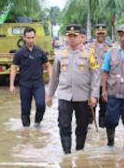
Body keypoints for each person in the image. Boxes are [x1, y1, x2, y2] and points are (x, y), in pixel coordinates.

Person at [46, 24, 100, 154]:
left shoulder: (89, 54)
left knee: (82, 125)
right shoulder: (60, 54)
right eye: (69, 36)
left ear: (80, 38)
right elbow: (54, 77)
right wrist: (50, 95)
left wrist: (94, 95)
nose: (71, 38)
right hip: (65, 95)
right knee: (64, 124)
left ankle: (80, 150)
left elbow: (96, 76)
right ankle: (67, 154)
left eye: (74, 36)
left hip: (83, 96)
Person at [9, 27, 52, 127]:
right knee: (25, 109)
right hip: (25, 85)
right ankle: (26, 131)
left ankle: (37, 123)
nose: (30, 40)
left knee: (41, 105)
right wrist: (11, 85)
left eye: (32, 37)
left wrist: (51, 80)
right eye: (28, 38)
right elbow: (14, 68)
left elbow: (48, 66)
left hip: (38, 84)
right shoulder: (19, 53)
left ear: (35, 37)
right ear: (24, 38)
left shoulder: (40, 51)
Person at [86, 24, 111, 128]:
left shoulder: (111, 49)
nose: (100, 35)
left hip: (106, 84)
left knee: (104, 108)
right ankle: (90, 129)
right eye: (98, 34)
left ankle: (102, 129)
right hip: (92, 83)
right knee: (91, 107)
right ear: (95, 34)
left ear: (105, 34)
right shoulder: (88, 48)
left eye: (102, 33)